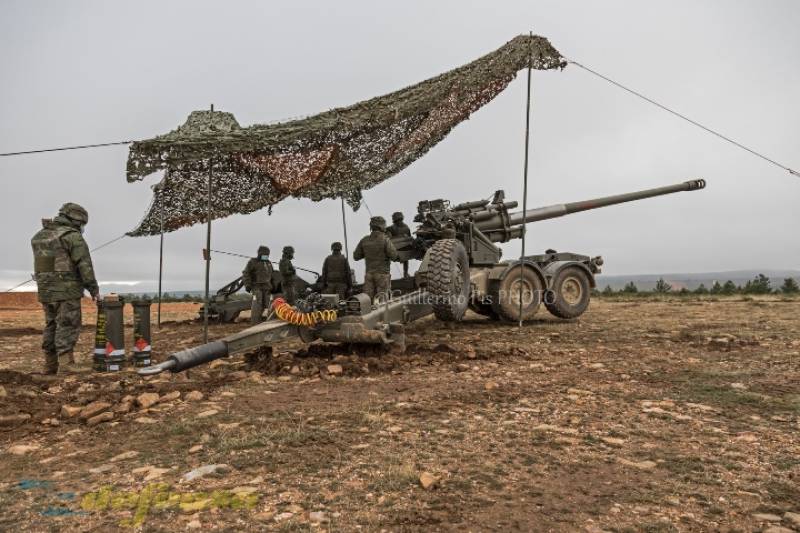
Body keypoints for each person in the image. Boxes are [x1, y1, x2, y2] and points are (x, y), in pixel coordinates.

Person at [31, 203, 99, 374]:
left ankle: (50, 365)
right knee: (67, 324)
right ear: (76, 220)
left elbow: (46, 264)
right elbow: (85, 265)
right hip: (67, 291)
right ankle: (66, 365)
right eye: (82, 224)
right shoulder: (72, 237)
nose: (82, 228)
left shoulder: (40, 236)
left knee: (51, 325)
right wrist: (94, 290)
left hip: (46, 291)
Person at [353, 216, 398, 302]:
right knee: (383, 302)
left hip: (369, 275)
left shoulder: (364, 240)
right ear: (382, 226)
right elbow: (394, 256)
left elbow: (356, 256)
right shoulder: (385, 239)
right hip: (382, 275)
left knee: (367, 301)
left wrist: (368, 252)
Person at [242, 245, 274, 324]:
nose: (266, 256)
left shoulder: (269, 263)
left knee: (269, 304)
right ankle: (255, 323)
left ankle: (268, 321)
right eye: (264, 255)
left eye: (267, 255)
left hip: (267, 287)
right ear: (259, 254)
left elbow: (272, 275)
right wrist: (247, 285)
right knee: (257, 304)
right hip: (257, 287)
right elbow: (246, 273)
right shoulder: (252, 262)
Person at [385, 211, 412, 278]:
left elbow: (388, 239)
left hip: (395, 249)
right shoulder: (406, 227)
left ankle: (387, 274)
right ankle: (405, 273)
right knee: (406, 259)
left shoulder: (390, 228)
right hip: (404, 249)